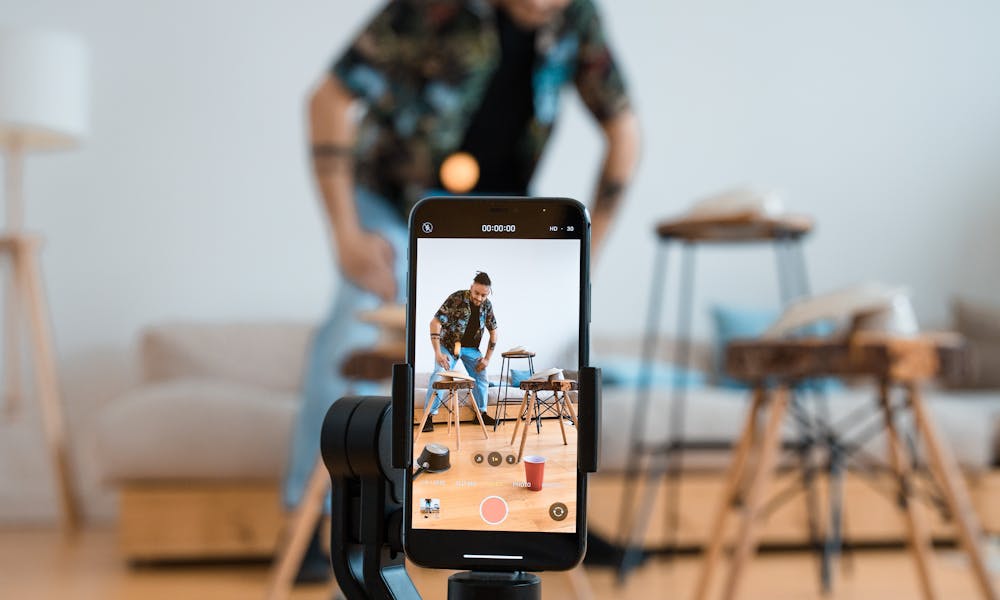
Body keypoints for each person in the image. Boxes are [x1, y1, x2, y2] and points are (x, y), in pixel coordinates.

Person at [284, 0, 640, 581]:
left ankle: (556, 507)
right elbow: (327, 98)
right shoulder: (429, 8)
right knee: (352, 329)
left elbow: (624, 129)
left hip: (502, 213)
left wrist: (584, 257)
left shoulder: (578, 22)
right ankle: (319, 530)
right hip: (396, 201)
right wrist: (346, 234)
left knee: (565, 345)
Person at [423, 272, 498, 433]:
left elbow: (494, 332)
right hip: (449, 346)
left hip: (471, 349)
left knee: (482, 374)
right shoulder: (456, 298)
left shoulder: (487, 305)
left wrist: (486, 359)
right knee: (439, 374)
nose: (479, 298)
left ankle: (480, 414)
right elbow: (435, 323)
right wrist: (438, 353)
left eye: (484, 295)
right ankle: (428, 417)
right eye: (476, 293)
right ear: (471, 287)